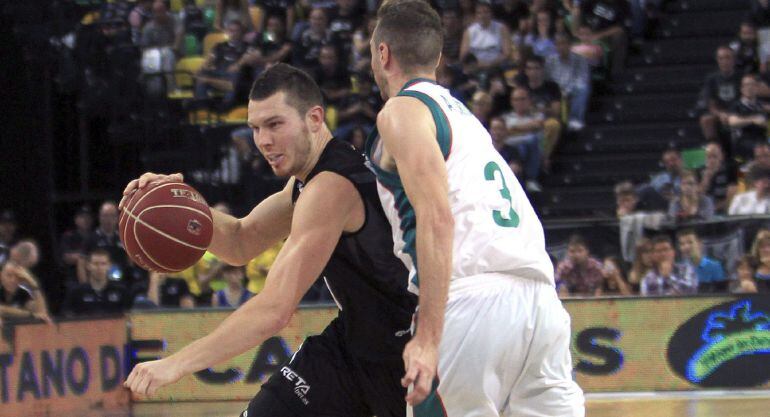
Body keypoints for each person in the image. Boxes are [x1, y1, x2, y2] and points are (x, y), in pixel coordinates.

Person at [123, 64, 417, 417]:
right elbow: (239, 241)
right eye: (255, 128)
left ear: (314, 118)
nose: (263, 141)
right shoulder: (309, 180)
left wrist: (177, 364)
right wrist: (178, 202)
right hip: (352, 346)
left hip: (403, 355)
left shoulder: (333, 186)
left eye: (275, 124)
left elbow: (274, 309)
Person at [367, 1, 584, 415]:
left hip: (471, 302)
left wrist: (428, 340)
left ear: (383, 53)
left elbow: (437, 216)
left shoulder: (401, 110)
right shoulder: (466, 118)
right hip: (541, 306)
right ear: (439, 58)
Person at [546, 32, 591, 131]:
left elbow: (583, 79)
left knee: (583, 88)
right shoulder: (550, 61)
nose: (561, 47)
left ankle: (575, 121)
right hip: (555, 91)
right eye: (558, 44)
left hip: (572, 89)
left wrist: (566, 91)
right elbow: (548, 79)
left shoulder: (580, 59)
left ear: (570, 45)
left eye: (563, 43)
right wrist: (559, 90)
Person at [64, 249, 130, 316]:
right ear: (88, 265)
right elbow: (67, 317)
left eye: (103, 264)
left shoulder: (121, 291)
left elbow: (129, 316)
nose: (99, 268)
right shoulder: (76, 292)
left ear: (109, 266)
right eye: (95, 264)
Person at [698, 46, 741, 143]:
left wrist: (733, 113)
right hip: (720, 114)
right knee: (706, 120)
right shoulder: (711, 79)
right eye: (721, 58)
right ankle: (713, 147)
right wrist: (721, 114)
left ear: (733, 59)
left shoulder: (741, 77)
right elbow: (710, 103)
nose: (724, 61)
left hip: (740, 112)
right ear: (717, 60)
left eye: (727, 57)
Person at [727, 73, 768, 161]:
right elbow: (732, 122)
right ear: (742, 89)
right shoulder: (737, 105)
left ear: (757, 88)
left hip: (763, 140)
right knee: (761, 150)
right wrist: (752, 120)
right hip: (744, 141)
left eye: (752, 85)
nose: (749, 87)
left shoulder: (761, 106)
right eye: (746, 85)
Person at [676, 229, 727, 293]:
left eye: (690, 242)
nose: (686, 247)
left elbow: (721, 292)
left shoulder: (715, 266)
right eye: (682, 244)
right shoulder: (678, 269)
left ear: (699, 244)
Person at [698, 142, 737, 213]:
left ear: (721, 156)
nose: (712, 160)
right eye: (709, 157)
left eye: (715, 156)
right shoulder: (700, 171)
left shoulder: (729, 170)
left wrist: (712, 209)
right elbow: (696, 198)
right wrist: (706, 179)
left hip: (723, 212)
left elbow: (731, 199)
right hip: (704, 213)